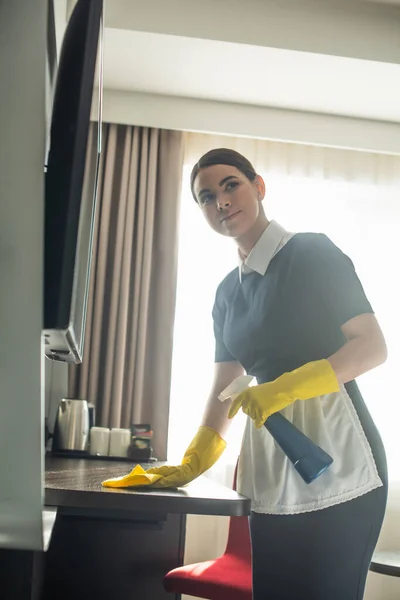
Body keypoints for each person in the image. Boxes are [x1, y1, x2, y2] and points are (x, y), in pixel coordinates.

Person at [103, 148, 388, 600]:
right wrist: (192, 462)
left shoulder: (311, 252)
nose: (221, 201)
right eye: (206, 196)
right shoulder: (226, 294)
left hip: (342, 458)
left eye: (231, 185)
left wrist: (282, 389)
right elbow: (224, 387)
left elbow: (372, 347)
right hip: (272, 465)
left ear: (258, 187)